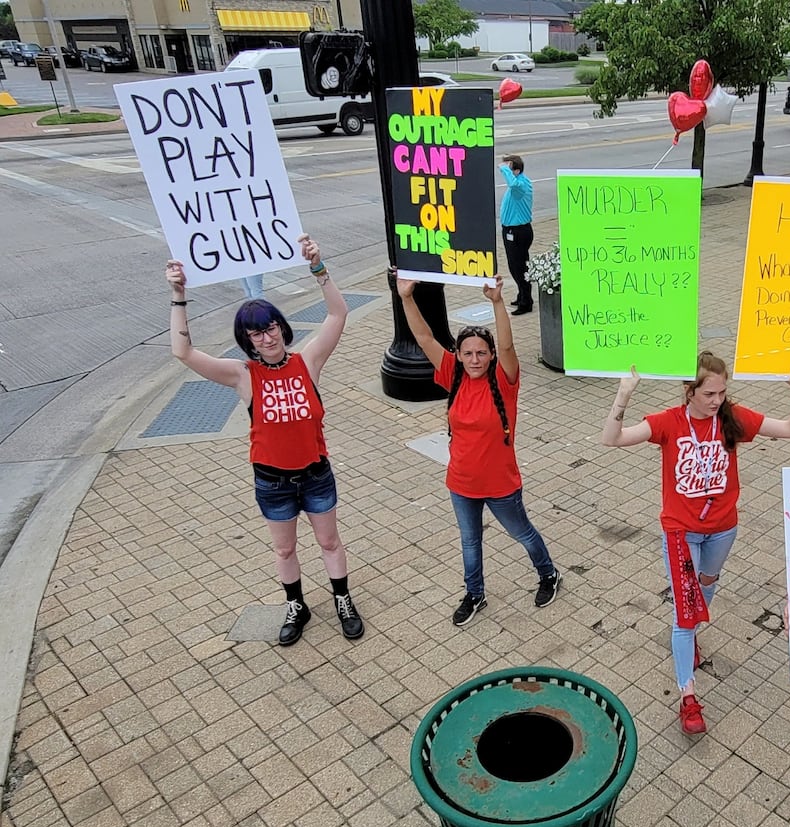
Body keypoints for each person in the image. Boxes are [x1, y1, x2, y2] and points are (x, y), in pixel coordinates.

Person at [164, 237, 366, 647]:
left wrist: (318, 266)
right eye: (256, 333)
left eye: (271, 327)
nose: (267, 338)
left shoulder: (307, 361)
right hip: (272, 480)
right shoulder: (243, 375)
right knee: (285, 551)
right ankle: (296, 605)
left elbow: (338, 313)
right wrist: (179, 295)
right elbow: (182, 351)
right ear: (247, 339)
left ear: (282, 327)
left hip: (315, 474)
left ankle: (342, 597)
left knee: (329, 540)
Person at [600, 353, 790, 734]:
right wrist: (624, 395)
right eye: (709, 393)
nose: (717, 400)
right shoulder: (669, 422)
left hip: (723, 527)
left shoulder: (731, 418)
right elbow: (611, 439)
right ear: (689, 391)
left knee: (708, 585)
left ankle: (691, 634)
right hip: (680, 531)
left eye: (722, 392)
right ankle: (688, 697)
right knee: (685, 611)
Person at [397, 272, 562, 625]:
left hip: (501, 485)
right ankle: (474, 594)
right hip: (461, 484)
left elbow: (507, 348)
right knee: (470, 543)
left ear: (489, 357)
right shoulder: (451, 373)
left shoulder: (504, 381)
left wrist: (498, 303)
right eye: (468, 353)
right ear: (458, 354)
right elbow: (424, 336)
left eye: (481, 353)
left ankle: (548, 574)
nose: (474, 359)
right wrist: (406, 298)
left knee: (523, 534)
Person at [500, 154, 534, 316]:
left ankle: (526, 301)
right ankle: (522, 294)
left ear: (516, 170)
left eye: (509, 168)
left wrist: (505, 170)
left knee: (519, 267)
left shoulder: (520, 186)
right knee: (515, 265)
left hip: (518, 232)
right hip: (512, 230)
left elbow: (513, 185)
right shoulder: (519, 184)